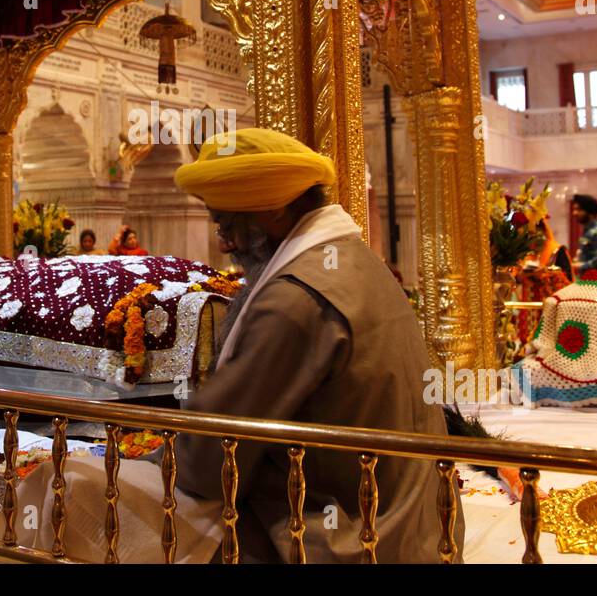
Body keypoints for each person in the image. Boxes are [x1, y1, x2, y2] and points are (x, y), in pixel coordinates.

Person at [171, 128, 457, 563]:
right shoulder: (355, 258)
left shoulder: (296, 298)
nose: (224, 242)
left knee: (92, 490)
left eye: (229, 224)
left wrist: (160, 451)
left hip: (352, 540)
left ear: (276, 208)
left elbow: (214, 462)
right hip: (423, 528)